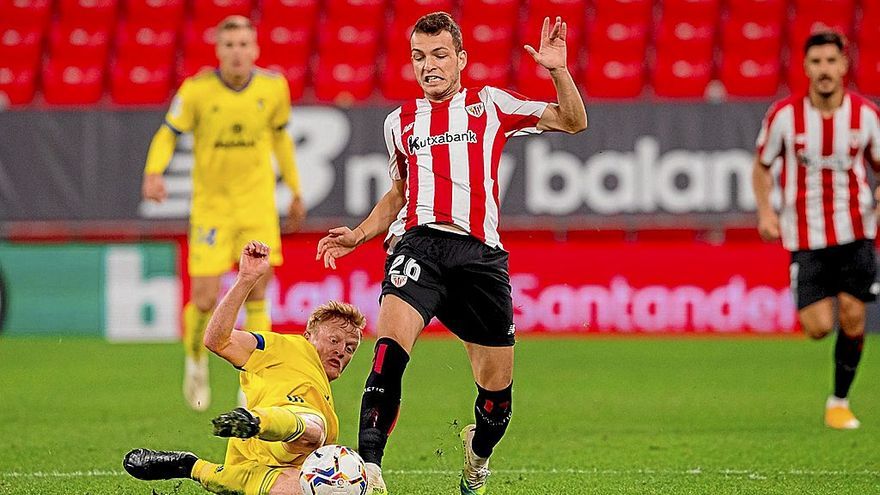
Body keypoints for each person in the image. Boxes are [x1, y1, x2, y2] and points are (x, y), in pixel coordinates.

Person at [316, 12, 587, 495]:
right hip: (418, 244)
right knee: (388, 353)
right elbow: (400, 191)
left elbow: (573, 121)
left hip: (481, 258)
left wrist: (557, 70)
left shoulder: (491, 104)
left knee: (497, 400)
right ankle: (368, 469)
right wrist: (359, 234)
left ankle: (476, 456)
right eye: (419, 57)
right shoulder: (399, 122)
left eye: (439, 55)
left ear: (462, 59)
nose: (428, 66)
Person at [142, 15, 306, 411]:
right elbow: (168, 132)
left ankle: (253, 379)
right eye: (229, 45)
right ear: (218, 50)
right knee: (203, 298)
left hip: (257, 205)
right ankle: (196, 359)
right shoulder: (197, 91)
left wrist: (295, 190)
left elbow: (281, 138)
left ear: (255, 50)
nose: (237, 52)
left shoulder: (273, 87)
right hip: (212, 210)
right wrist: (153, 172)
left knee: (260, 288)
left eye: (244, 44)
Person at [123, 241, 365, 495]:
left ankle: (192, 466)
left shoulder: (328, 409)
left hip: (263, 465)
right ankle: (257, 421)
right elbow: (217, 340)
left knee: (315, 487)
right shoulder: (287, 347)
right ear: (308, 336)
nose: (341, 351)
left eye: (350, 348)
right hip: (261, 434)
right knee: (315, 429)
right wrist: (245, 280)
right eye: (334, 340)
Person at [752, 31, 880, 430]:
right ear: (806, 68)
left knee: (855, 316)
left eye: (831, 61)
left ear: (843, 66)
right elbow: (761, 165)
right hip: (805, 237)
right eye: (816, 62)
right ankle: (837, 391)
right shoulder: (784, 116)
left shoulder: (866, 116)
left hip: (857, 232)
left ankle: (839, 401)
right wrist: (765, 212)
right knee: (818, 327)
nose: (824, 70)